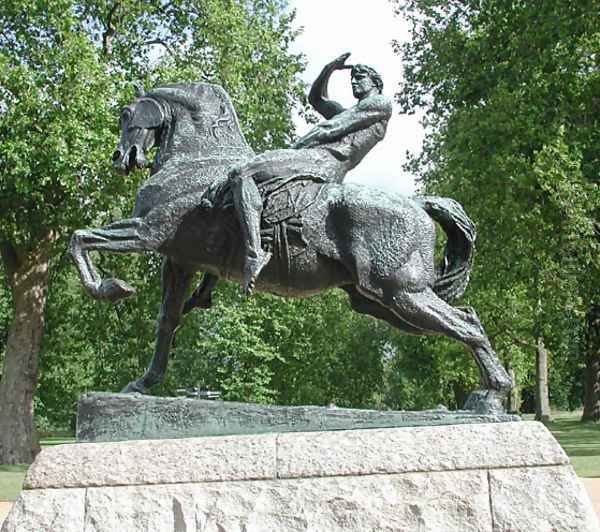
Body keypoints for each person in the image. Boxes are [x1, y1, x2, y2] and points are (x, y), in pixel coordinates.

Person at [231, 52, 392, 295]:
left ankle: (255, 252)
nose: (354, 82)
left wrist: (293, 149)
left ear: (375, 83)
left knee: (243, 173)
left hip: (322, 162)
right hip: (316, 159)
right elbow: (316, 99)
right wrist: (329, 68)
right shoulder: (351, 112)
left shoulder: (378, 104)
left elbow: (331, 128)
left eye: (360, 77)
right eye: (352, 79)